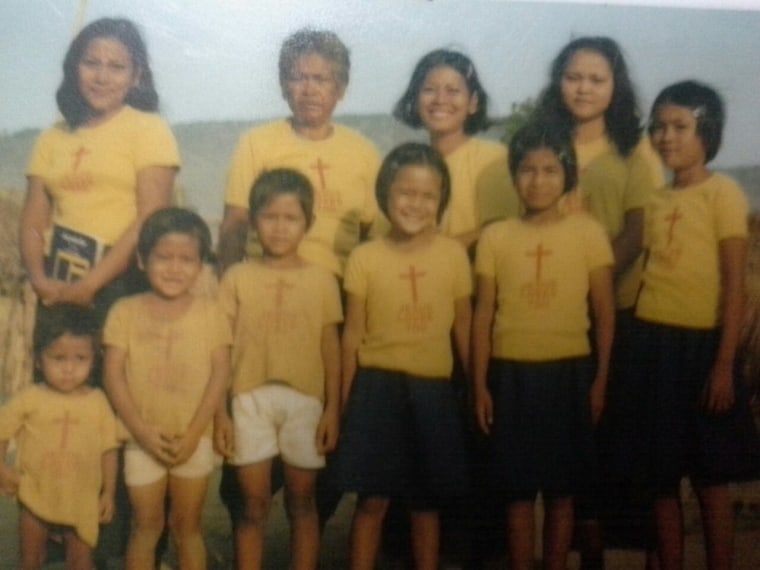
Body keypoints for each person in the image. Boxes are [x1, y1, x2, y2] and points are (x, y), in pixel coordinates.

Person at [622, 80, 760, 570]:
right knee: (660, 478)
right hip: (653, 344)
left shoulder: (723, 193)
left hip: (704, 350)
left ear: (709, 132)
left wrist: (724, 365)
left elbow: (736, 286)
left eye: (680, 126)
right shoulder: (657, 200)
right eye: (658, 127)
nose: (666, 137)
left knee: (710, 478)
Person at [471, 120, 615, 570]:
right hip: (511, 373)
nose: (538, 180)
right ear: (514, 176)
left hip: (569, 371)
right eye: (528, 170)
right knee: (515, 491)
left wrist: (600, 382)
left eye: (550, 170)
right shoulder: (496, 236)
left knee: (561, 490)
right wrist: (479, 385)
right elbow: (483, 314)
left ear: (568, 175)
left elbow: (605, 312)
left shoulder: (588, 232)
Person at [334, 142, 472, 570]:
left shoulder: (452, 255)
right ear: (385, 195)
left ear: (441, 202)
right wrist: (341, 405)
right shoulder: (365, 256)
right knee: (373, 499)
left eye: (428, 196)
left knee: (426, 502)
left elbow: (462, 326)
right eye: (406, 193)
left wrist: (473, 387)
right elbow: (352, 334)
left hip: (433, 390)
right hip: (377, 389)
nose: (416, 204)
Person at [215, 169, 342, 570]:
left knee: (302, 503)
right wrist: (221, 411)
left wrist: (333, 409)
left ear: (308, 223)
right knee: (251, 504)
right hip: (249, 399)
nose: (280, 228)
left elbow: (331, 349)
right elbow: (220, 348)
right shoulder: (236, 277)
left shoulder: (322, 280)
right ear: (253, 221)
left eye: (291, 218)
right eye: (270, 217)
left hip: (305, 401)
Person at [20, 17, 179, 325]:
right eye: (91, 63)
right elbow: (33, 220)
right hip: (57, 282)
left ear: (137, 76)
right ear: (74, 68)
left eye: (116, 67)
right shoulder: (51, 138)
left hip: (122, 281)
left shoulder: (149, 129)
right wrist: (40, 280)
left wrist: (91, 284)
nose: (101, 77)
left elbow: (151, 217)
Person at [103, 208, 231, 570]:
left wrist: (194, 434)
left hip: (194, 437)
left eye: (187, 259)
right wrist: (141, 432)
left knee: (187, 527)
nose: (175, 268)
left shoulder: (211, 313)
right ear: (142, 259)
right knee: (145, 527)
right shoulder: (124, 312)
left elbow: (220, 373)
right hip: (142, 438)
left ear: (201, 264)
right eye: (164, 257)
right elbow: (114, 377)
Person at [217, 27, 381, 276]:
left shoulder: (364, 152)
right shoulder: (256, 144)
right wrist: (227, 287)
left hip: (338, 287)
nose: (309, 90)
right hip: (266, 279)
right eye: (298, 78)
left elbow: (374, 236)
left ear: (340, 89)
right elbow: (235, 225)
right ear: (283, 87)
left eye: (320, 79)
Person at [0, 305, 118, 570]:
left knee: (81, 561)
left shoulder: (98, 402)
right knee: (31, 559)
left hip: (81, 498)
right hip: (36, 493)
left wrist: (108, 492)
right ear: (39, 360)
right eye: (59, 358)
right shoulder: (30, 398)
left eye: (80, 359)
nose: (69, 369)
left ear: (93, 360)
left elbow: (109, 450)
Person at [393, 49, 517, 252]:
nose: (440, 100)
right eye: (429, 89)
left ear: (473, 102)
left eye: (453, 91)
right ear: (415, 99)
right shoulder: (406, 165)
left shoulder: (495, 160)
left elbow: (503, 227)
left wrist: (438, 255)